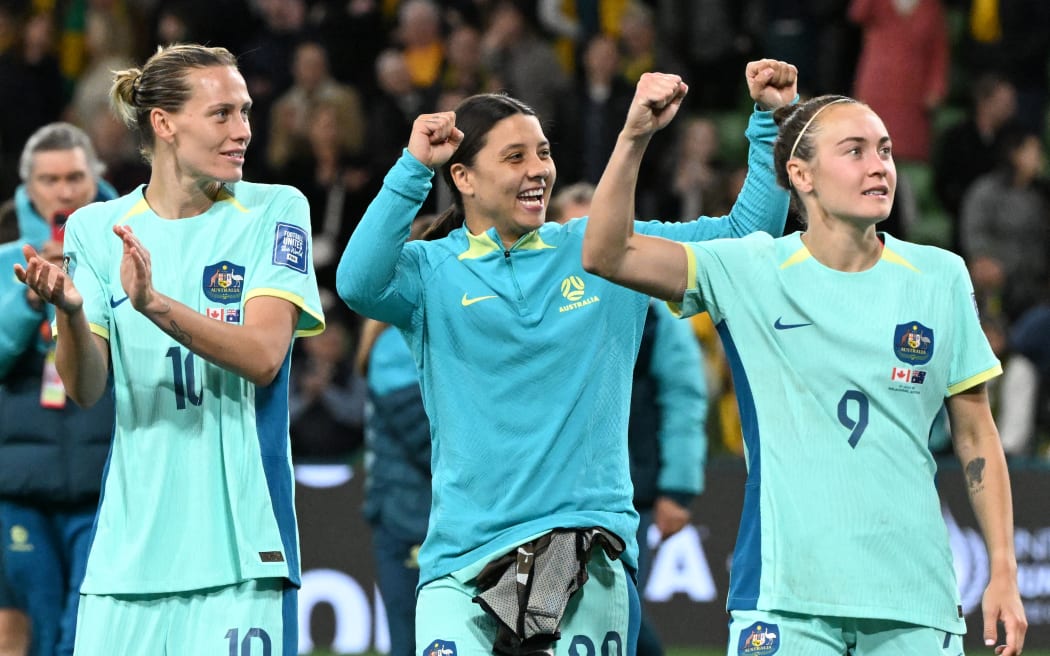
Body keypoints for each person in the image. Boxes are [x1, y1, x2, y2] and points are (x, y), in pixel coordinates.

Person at [336, 59, 797, 655]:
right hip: (462, 560)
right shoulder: (429, 274)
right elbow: (358, 283)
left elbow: (744, 243)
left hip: (584, 550)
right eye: (514, 157)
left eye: (544, 152)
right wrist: (410, 170)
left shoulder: (601, 255)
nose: (538, 171)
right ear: (465, 179)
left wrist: (770, 120)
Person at [581, 92, 1028, 654]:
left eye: (885, 151)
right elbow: (606, 253)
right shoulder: (747, 266)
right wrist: (634, 137)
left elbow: (974, 432)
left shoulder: (939, 275)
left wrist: (1004, 569)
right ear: (801, 174)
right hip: (783, 600)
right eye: (855, 151)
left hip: (915, 599)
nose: (879, 166)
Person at [13, 43, 324, 655]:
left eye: (246, 112)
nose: (243, 131)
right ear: (164, 124)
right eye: (223, 114)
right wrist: (72, 315)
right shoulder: (95, 229)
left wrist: (156, 306)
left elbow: (265, 355)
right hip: (128, 558)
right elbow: (84, 387)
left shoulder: (274, 209)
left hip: (241, 552)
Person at [548, 184, 708, 656]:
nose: (589, 243)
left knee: (611, 612)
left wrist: (677, 487)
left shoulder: (649, 309)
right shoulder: (541, 307)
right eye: (574, 230)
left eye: (598, 229)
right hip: (550, 491)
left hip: (624, 491)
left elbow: (684, 395)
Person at [0, 122, 118, 656]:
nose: (64, 191)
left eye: (75, 177)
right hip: (20, 484)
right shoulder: (5, 264)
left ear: (97, 179)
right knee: (39, 633)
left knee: (86, 632)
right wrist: (28, 301)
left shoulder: (127, 253)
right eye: (50, 179)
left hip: (106, 478)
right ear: (28, 188)